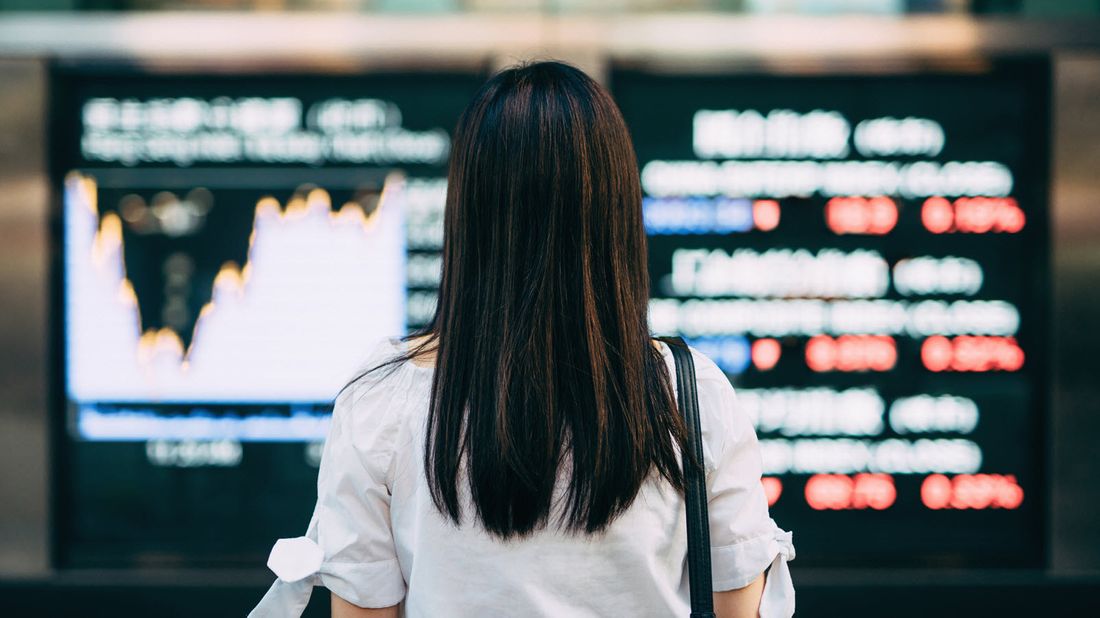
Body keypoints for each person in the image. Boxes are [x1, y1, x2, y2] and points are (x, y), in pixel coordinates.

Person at [249, 60, 794, 618]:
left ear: (467, 211)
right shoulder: (692, 394)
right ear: (616, 213)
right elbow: (737, 607)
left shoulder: (382, 399)